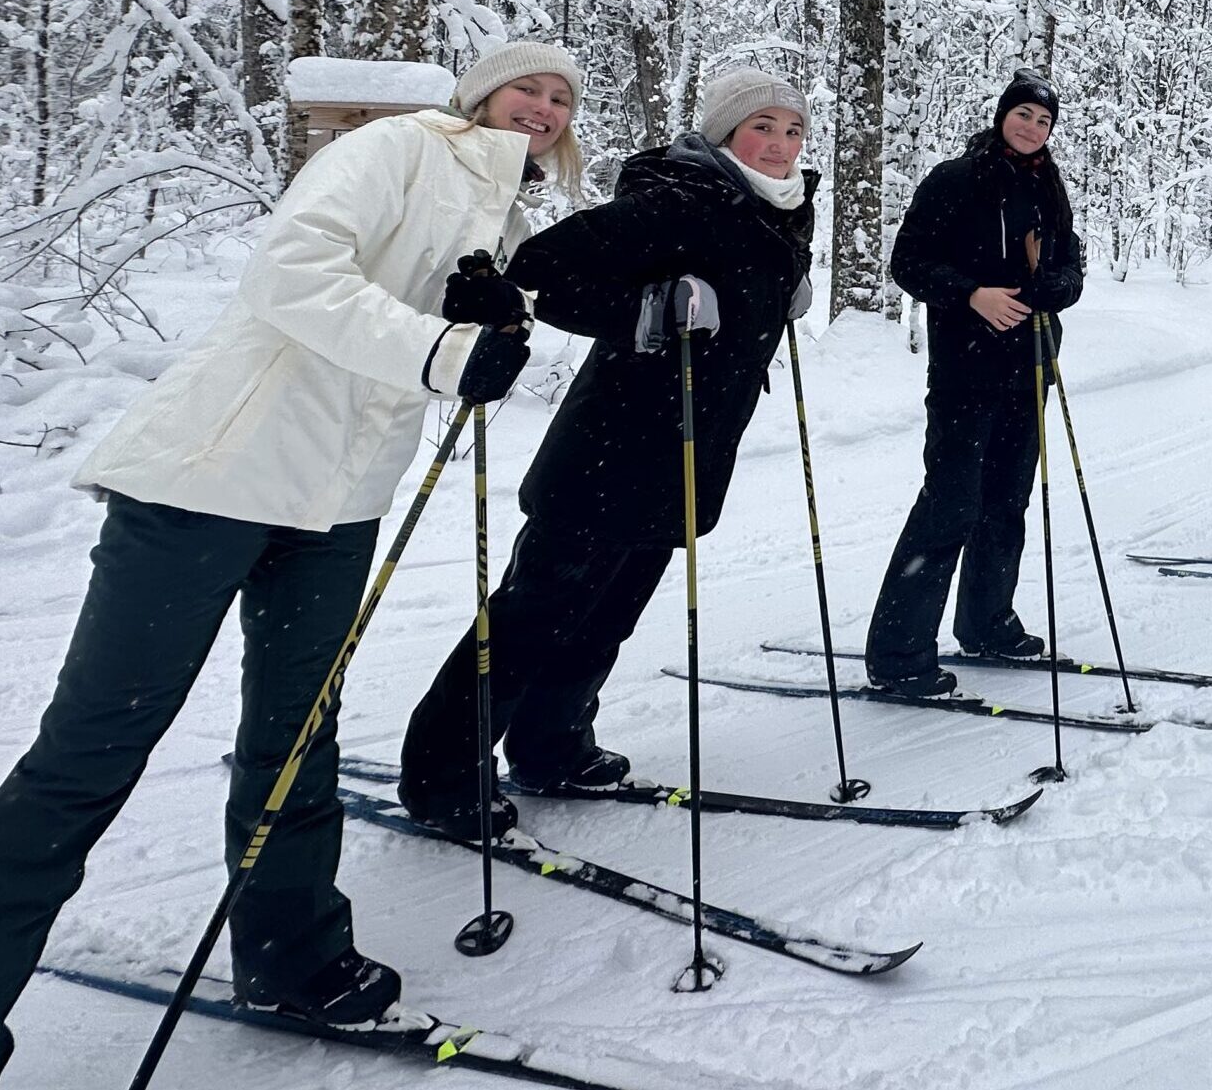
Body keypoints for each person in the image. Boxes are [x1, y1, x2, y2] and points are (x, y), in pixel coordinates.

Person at [0, 41, 575, 1088]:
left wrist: (475, 320)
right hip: (209, 479)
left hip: (337, 502)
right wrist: (440, 347)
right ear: (479, 93)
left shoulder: (503, 211)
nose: (543, 106)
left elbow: (401, 333)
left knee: (296, 732)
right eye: (526, 86)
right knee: (84, 760)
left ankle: (294, 957)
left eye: (561, 96)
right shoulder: (398, 147)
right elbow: (290, 271)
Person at [397, 66, 816, 834]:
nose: (781, 144)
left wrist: (787, 286)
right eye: (763, 127)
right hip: (610, 450)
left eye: (793, 130)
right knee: (533, 615)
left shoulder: (782, 212)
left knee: (607, 615)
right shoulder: (683, 198)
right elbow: (539, 271)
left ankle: (552, 742)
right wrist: (649, 310)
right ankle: (440, 775)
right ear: (726, 133)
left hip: (688, 453)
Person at [864, 69, 1086, 696]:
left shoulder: (1049, 186)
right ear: (1001, 117)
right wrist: (972, 295)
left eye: (1043, 121)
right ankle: (899, 652)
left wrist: (1057, 288)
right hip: (966, 368)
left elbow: (1070, 263)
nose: (1031, 127)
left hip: (1030, 367)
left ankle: (987, 622)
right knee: (950, 503)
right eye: (1023, 115)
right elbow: (907, 261)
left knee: (1007, 500)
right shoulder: (956, 179)